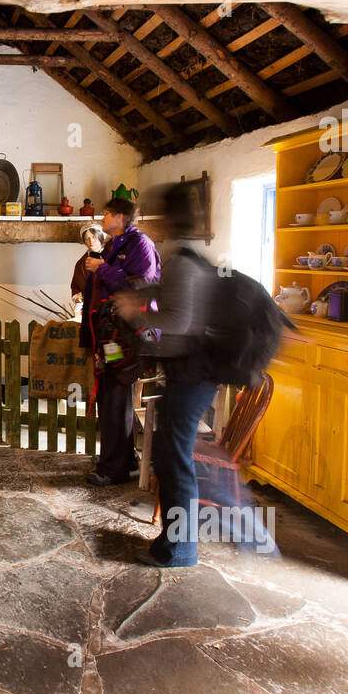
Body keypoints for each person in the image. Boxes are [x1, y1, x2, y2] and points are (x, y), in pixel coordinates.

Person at [113, 183, 221, 567]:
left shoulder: (185, 260)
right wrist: (146, 291)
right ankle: (171, 541)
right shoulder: (187, 255)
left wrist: (136, 313)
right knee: (169, 453)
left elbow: (179, 318)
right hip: (189, 370)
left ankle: (181, 548)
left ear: (170, 217)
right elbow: (176, 294)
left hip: (194, 371)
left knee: (174, 458)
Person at [81, 198, 160, 486]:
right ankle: (122, 461)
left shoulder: (140, 246)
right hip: (109, 335)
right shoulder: (114, 245)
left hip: (126, 337)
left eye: (106, 213)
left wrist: (102, 268)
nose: (102, 218)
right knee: (110, 394)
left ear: (121, 217)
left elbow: (141, 286)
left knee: (115, 396)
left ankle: (113, 470)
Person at [70, 222, 106, 316]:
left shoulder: (111, 257)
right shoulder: (81, 264)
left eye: (94, 237)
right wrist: (78, 298)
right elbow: (75, 286)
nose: (91, 241)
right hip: (89, 310)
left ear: (100, 237)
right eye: (87, 239)